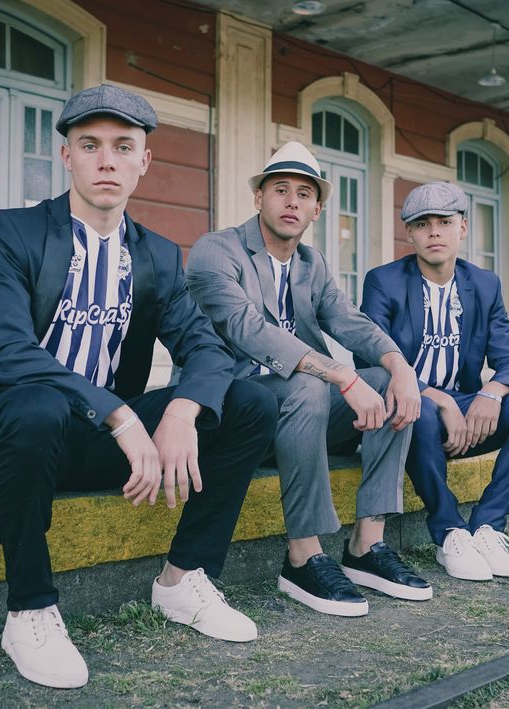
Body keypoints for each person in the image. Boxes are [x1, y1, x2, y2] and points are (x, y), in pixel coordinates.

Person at [0, 85, 277, 689]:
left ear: (143, 162)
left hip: (102, 450)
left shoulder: (155, 253)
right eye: (90, 145)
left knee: (253, 400)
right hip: (20, 439)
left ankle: (183, 579)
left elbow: (205, 347)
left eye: (123, 147)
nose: (107, 160)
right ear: (66, 157)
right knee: (38, 405)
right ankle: (30, 610)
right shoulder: (13, 232)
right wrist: (122, 418)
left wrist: (180, 411)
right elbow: (5, 348)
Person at [186, 141, 430, 618]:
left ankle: (366, 545)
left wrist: (401, 368)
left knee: (381, 381)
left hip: (305, 413)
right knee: (310, 382)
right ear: (259, 197)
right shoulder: (217, 249)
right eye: (281, 190)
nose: (292, 202)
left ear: (317, 209)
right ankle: (303, 555)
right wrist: (340, 374)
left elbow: (349, 321)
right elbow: (245, 328)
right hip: (238, 413)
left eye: (304, 194)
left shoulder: (310, 264)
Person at [360, 181, 509, 582]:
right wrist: (438, 398)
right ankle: (450, 531)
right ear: (410, 233)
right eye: (423, 223)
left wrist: (492, 392)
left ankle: (487, 528)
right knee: (422, 410)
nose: (434, 231)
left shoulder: (484, 284)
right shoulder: (384, 281)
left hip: (467, 412)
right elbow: (368, 358)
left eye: (444, 222)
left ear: (462, 229)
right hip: (412, 413)